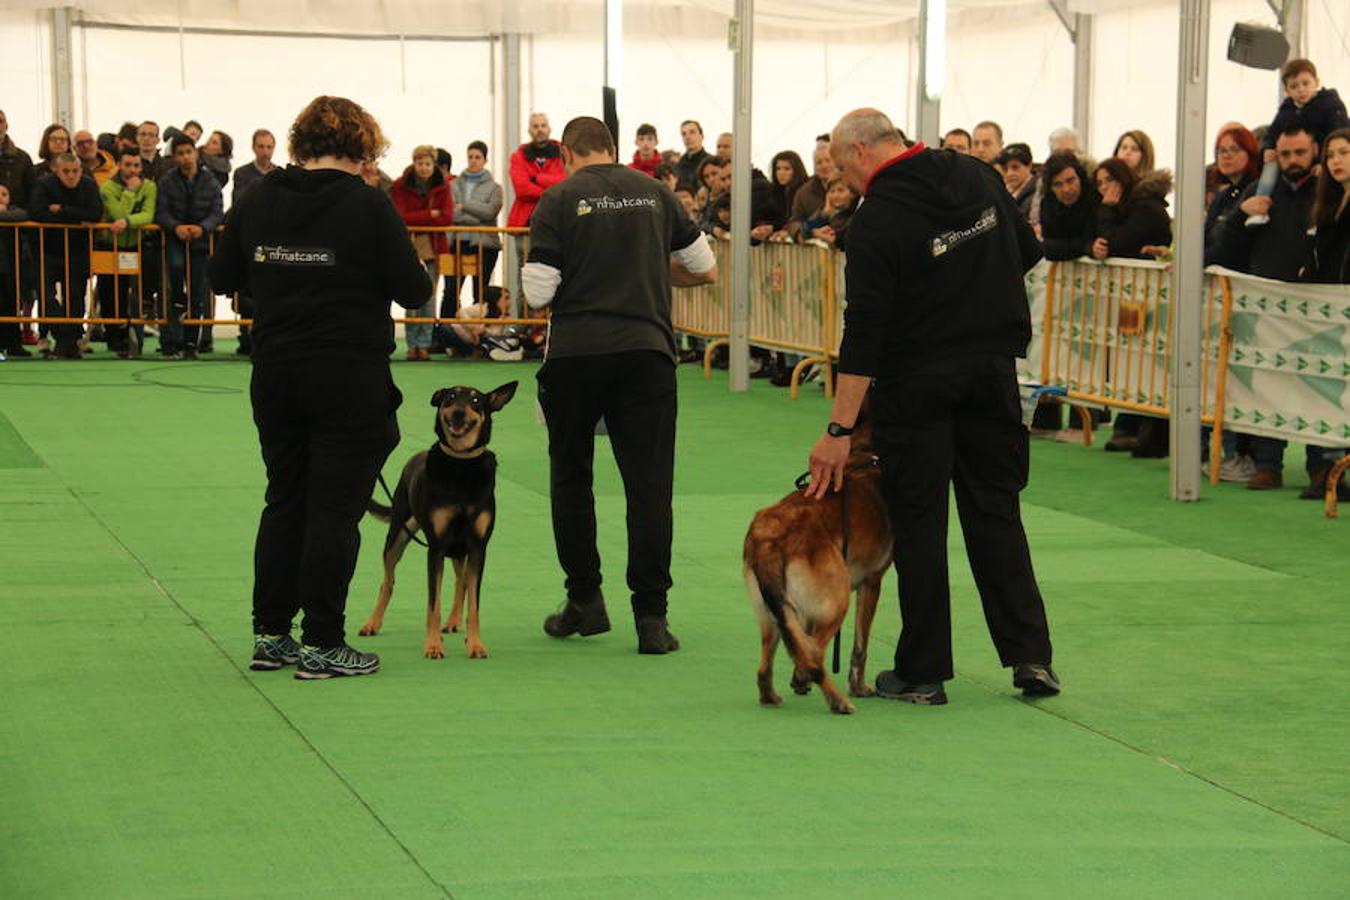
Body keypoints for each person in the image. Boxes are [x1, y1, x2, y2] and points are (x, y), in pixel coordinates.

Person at [806, 107, 1058, 706]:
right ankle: (1031, 658)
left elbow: (863, 332)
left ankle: (923, 671)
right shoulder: (976, 175)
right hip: (992, 373)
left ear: (863, 152)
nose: (848, 183)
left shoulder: (876, 221)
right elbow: (1025, 251)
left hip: (917, 385)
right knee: (995, 512)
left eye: (845, 170)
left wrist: (839, 428)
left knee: (919, 522)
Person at [208, 94, 431, 680]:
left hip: (276, 370)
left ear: (298, 142)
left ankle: (271, 634)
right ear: (364, 147)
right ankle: (324, 641)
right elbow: (414, 291)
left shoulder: (257, 198)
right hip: (347, 374)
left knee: (285, 498)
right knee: (335, 509)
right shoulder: (369, 205)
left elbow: (221, 276)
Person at [522, 115, 718, 654]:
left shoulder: (558, 199)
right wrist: (651, 271)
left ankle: (585, 600)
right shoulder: (656, 191)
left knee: (571, 476)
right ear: (613, 148)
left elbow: (539, 291)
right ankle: (652, 618)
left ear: (566, 153)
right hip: (646, 352)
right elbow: (705, 267)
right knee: (650, 486)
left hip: (577, 354)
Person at [1211, 125, 1322, 490]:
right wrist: (1242, 216)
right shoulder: (1260, 191)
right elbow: (1226, 251)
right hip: (1265, 308)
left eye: (1299, 153)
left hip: (1316, 308)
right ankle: (1267, 465)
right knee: (1265, 386)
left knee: (1316, 387)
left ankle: (1319, 468)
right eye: (1286, 154)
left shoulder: (1327, 192)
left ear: (1314, 151)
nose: (1292, 161)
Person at [1302, 126, 1350, 499]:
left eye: (1344, 153)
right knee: (1329, 389)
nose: (1336, 161)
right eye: (1331, 155)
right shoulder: (1327, 204)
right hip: (1328, 309)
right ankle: (1331, 467)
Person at [1248, 59, 1348, 227]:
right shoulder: (1286, 109)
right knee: (1270, 164)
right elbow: (1273, 132)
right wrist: (1268, 148)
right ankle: (1261, 204)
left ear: (1316, 82)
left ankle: (1319, 217)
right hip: (1297, 156)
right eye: (1294, 86)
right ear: (1287, 91)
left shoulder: (1329, 104)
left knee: (1322, 177)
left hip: (1323, 155)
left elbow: (1337, 132)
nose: (1301, 89)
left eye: (1305, 83)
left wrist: (1322, 160)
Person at [155, 134, 224, 359]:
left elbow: (217, 212)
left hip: (200, 244)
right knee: (173, 281)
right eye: (180, 153)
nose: (185, 157)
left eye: (188, 152)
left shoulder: (210, 181)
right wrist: (175, 227)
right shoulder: (166, 181)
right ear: (175, 157)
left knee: (198, 293)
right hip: (174, 241)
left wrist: (202, 228)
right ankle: (169, 341)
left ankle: (191, 344)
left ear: (195, 153)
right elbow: (161, 212)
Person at [31, 152, 102, 359]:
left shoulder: (88, 185)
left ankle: (69, 341)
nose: (71, 176)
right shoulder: (44, 185)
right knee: (46, 295)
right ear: (56, 170)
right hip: (47, 249)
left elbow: (95, 213)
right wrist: (77, 218)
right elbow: (37, 213)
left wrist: (61, 209)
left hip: (77, 251)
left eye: (75, 171)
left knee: (76, 295)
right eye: (66, 171)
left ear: (81, 170)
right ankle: (63, 335)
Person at [391, 144, 455, 360]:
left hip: (435, 249)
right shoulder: (400, 185)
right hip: (408, 248)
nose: (424, 168)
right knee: (411, 295)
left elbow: (446, 217)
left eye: (428, 164)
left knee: (430, 295)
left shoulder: (443, 186)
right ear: (414, 163)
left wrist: (418, 216)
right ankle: (412, 344)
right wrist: (430, 214)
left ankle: (424, 344)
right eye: (420, 163)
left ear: (433, 164)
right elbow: (400, 216)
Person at [96, 148, 157, 357]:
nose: (132, 170)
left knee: (132, 292)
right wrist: (130, 193)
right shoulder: (107, 188)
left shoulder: (149, 187)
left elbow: (148, 215)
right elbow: (117, 213)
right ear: (119, 165)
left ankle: (132, 334)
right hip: (109, 244)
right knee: (109, 292)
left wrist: (128, 221)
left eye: (136, 166)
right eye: (128, 165)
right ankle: (113, 335)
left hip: (135, 246)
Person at [449, 140, 503, 310]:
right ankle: (446, 331)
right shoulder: (453, 185)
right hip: (457, 243)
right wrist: (476, 216)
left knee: (480, 291)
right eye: (470, 157)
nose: (473, 160)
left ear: (485, 160)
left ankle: (478, 332)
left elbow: (490, 213)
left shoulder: (495, 188)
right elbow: (450, 213)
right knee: (451, 291)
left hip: (484, 244)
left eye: (477, 157)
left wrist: (464, 205)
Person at [1038, 150, 1098, 259]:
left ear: (1080, 177)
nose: (1066, 189)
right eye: (1058, 185)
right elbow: (1047, 248)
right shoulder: (1048, 203)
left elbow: (1091, 240)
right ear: (1051, 188)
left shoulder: (1095, 197)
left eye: (1070, 181)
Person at [786, 139, 835, 240]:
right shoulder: (803, 193)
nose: (824, 166)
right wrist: (807, 233)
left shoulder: (851, 184)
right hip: (816, 249)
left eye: (828, 160)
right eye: (819, 162)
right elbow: (794, 223)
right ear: (814, 166)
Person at [765, 150, 807, 240]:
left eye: (787, 169)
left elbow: (802, 219)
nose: (781, 173)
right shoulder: (774, 193)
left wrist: (788, 231)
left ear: (796, 170)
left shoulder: (804, 193)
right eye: (778, 168)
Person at [994, 142, 1037, 222]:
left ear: (1029, 166)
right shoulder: (1004, 192)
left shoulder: (1036, 196)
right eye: (1005, 169)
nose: (1009, 173)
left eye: (1015, 167)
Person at [674, 119, 710, 191]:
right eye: (684, 134)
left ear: (701, 136)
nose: (687, 137)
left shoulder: (710, 163)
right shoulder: (678, 164)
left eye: (692, 132)